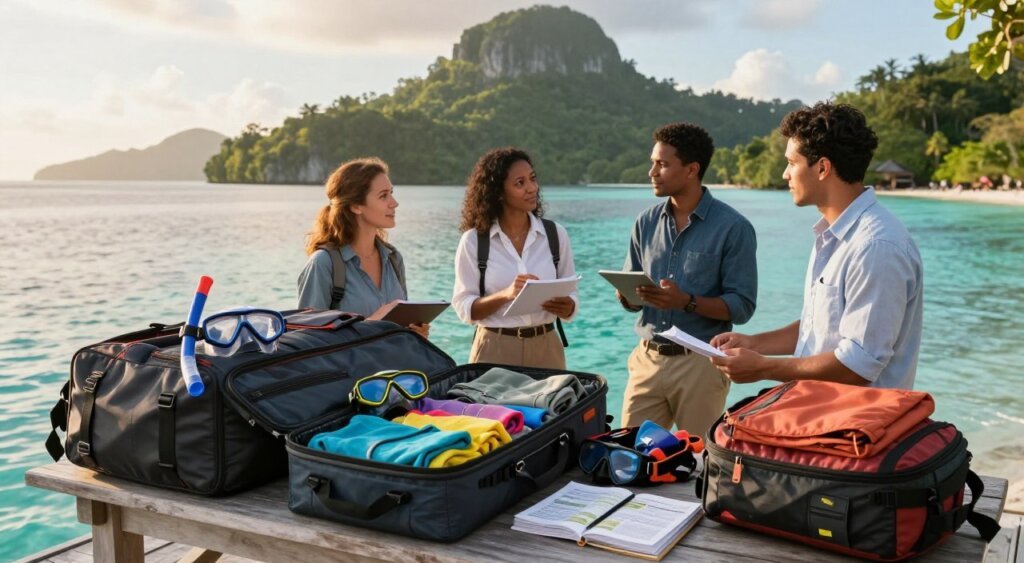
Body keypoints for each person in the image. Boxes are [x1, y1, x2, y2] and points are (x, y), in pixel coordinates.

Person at [710, 102, 923, 389]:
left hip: (856, 427)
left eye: (791, 162)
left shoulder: (876, 246)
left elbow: (858, 365)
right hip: (819, 416)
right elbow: (821, 327)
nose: (785, 174)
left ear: (822, 167)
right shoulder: (832, 235)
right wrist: (755, 344)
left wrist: (764, 368)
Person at [617, 122, 757, 436]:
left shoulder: (734, 228)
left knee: (701, 463)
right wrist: (627, 296)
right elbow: (632, 292)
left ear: (692, 169)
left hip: (701, 366)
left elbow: (743, 306)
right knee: (627, 454)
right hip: (646, 359)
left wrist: (686, 302)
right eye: (653, 162)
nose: (652, 171)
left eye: (663, 164)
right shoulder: (645, 222)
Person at [452, 147, 578, 369]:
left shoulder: (555, 235)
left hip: (547, 347)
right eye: (519, 183)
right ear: (498, 192)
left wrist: (568, 307)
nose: (531, 188)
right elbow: (465, 308)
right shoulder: (474, 241)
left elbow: (572, 297)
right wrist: (506, 294)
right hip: (494, 347)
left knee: (553, 405)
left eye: (532, 179)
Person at [297, 157, 429, 338]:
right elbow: (307, 342)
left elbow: (402, 330)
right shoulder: (323, 263)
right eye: (384, 196)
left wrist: (415, 334)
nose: (394, 202)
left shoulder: (393, 258)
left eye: (391, 193)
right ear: (356, 205)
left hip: (397, 365)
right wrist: (372, 323)